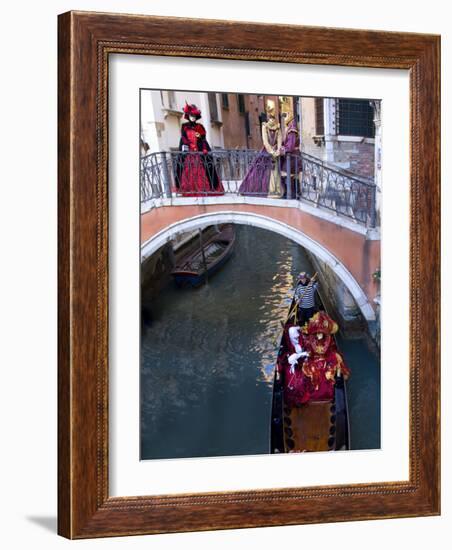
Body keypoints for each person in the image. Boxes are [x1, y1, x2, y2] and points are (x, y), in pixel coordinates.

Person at [175, 102, 224, 196]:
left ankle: (208, 188)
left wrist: (204, 148)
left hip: (199, 152)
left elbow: (203, 139)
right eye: (191, 115)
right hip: (189, 152)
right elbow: (184, 138)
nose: (192, 117)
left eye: (194, 116)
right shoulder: (184, 126)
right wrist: (188, 145)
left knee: (206, 167)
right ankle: (188, 189)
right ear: (188, 116)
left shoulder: (200, 127)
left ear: (196, 117)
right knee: (186, 169)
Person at [238, 99, 282, 197]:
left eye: (273, 116)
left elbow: (279, 140)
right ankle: (267, 191)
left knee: (275, 172)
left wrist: (278, 150)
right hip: (266, 152)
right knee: (261, 172)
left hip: (275, 152)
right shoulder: (264, 126)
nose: (272, 118)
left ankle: (275, 191)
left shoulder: (278, 127)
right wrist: (272, 152)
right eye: (270, 116)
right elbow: (265, 141)